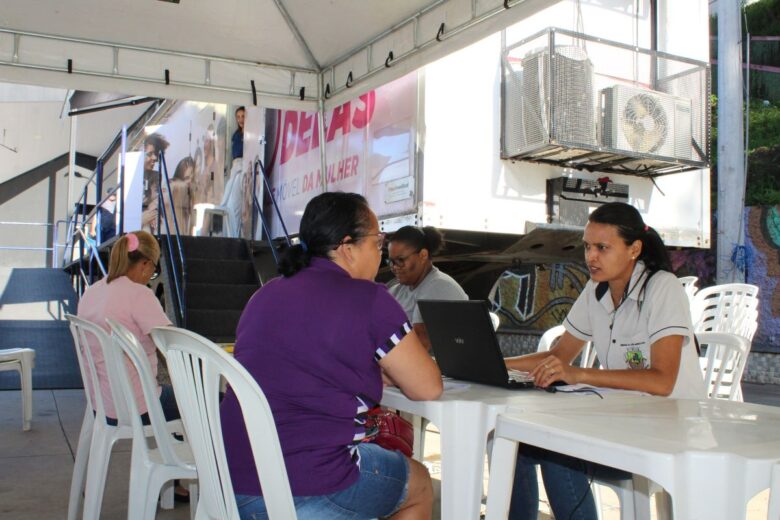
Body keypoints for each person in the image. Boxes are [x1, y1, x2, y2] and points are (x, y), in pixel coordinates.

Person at [220, 192, 443, 520]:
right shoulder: (368, 299)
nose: (380, 255)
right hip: (304, 487)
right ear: (347, 246)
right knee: (420, 482)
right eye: (377, 243)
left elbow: (303, 364)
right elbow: (428, 387)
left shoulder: (264, 295)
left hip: (231, 481)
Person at [504, 202, 706, 520]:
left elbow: (662, 380)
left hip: (671, 429)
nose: (591, 257)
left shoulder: (661, 287)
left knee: (560, 452)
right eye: (587, 247)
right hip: (623, 420)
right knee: (515, 444)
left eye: (602, 247)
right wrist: (500, 363)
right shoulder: (595, 290)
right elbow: (558, 356)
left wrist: (579, 374)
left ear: (634, 249)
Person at [77, 231, 178, 425]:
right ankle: (194, 453)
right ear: (145, 264)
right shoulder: (139, 294)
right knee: (216, 398)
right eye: (154, 270)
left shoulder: (91, 292)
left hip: (102, 404)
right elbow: (173, 346)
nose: (150, 276)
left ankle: (179, 447)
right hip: (138, 406)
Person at [387, 226, 468, 350]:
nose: (394, 267)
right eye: (391, 262)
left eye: (400, 260)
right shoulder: (396, 290)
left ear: (423, 255)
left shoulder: (439, 287)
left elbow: (420, 344)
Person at [141, 133, 170, 234]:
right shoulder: (130, 176)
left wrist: (153, 214)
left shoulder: (156, 176)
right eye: (149, 154)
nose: (154, 158)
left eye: (156, 154)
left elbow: (155, 199)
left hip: (149, 217)